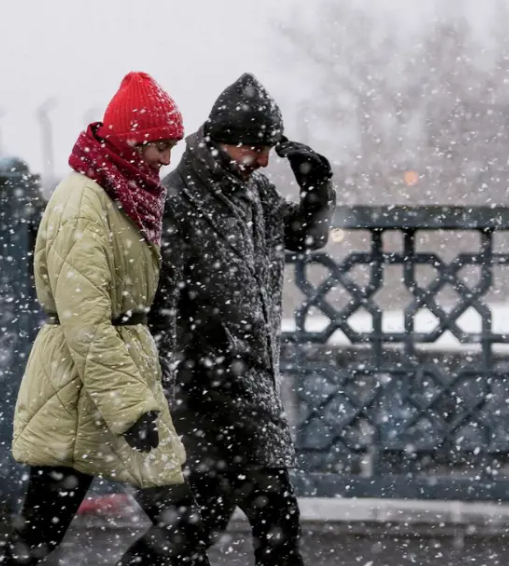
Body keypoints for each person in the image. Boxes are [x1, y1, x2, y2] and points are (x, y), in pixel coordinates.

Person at [0, 72, 211, 566]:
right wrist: (131, 409)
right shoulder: (84, 203)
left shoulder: (119, 190)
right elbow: (85, 321)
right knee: (178, 526)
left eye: (172, 146)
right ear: (131, 139)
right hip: (84, 387)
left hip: (103, 381)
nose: (166, 160)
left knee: (177, 528)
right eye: (159, 146)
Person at [149, 73, 336, 566]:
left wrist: (316, 186)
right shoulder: (179, 200)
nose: (260, 160)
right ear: (217, 140)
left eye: (266, 150)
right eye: (250, 148)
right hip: (201, 393)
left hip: (245, 384)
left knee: (234, 524)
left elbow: (304, 237)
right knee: (222, 525)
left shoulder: (252, 194)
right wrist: (160, 396)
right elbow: (160, 309)